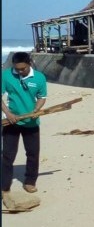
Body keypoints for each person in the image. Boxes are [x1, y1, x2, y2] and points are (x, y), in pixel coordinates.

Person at [2, 52, 47, 195]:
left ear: (30, 63)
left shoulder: (39, 77)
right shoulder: (6, 75)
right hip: (11, 122)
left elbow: (42, 97)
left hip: (31, 122)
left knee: (33, 154)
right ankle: (4, 185)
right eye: (17, 69)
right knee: (7, 155)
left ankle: (30, 182)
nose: (20, 71)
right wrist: (8, 114)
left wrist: (36, 109)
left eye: (23, 69)